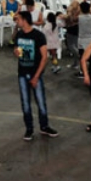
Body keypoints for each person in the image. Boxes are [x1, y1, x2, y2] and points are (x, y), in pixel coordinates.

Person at [13, 11, 59, 141]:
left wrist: (36, 76)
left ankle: (44, 126)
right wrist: (16, 52)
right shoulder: (19, 34)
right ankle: (29, 128)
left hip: (35, 73)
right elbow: (16, 48)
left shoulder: (38, 36)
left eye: (19, 19)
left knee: (40, 102)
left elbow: (44, 57)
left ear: (25, 20)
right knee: (25, 103)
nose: (17, 22)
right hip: (22, 73)